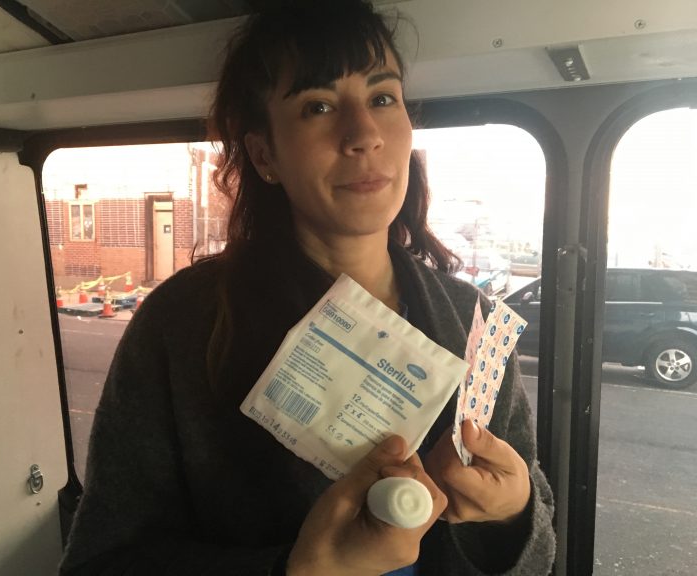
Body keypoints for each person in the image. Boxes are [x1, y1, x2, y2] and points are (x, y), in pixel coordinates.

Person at [59, 1, 556, 574]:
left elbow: (537, 539)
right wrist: (294, 571)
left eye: (382, 97)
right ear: (265, 154)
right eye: (318, 106)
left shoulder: (477, 325)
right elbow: (102, 558)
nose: (364, 134)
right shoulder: (184, 322)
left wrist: (513, 514)